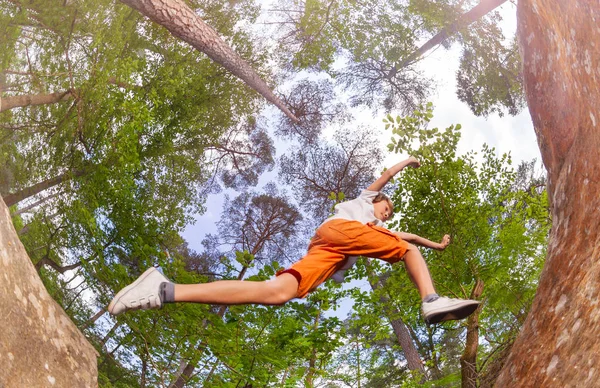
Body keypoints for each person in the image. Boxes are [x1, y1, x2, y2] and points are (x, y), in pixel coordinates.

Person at [108, 156, 479, 324]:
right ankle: (430, 300)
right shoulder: (363, 203)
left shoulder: (377, 230)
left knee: (278, 292)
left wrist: (439, 245)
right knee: (406, 250)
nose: (387, 214)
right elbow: (384, 178)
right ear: (377, 203)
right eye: (386, 209)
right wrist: (407, 162)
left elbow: (409, 238)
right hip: (336, 232)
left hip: (331, 252)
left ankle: (165, 290)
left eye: (389, 214)